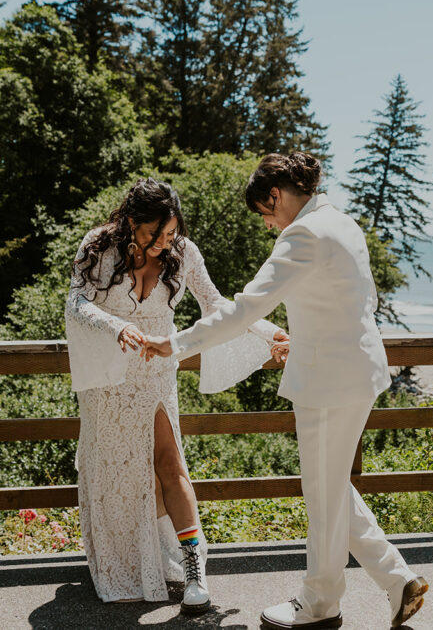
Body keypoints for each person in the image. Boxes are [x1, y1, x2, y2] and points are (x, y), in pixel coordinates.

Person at [142, 153, 428, 629]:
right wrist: (309, 338)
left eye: (266, 213)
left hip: (327, 382)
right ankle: (398, 582)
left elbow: (245, 310)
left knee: (321, 493)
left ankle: (320, 605)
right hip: (358, 371)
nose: (269, 225)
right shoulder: (343, 223)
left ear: (275, 194)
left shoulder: (303, 234)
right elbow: (357, 301)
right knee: (332, 485)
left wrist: (174, 344)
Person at [64, 178, 286, 613]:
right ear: (132, 222)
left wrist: (268, 331)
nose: (166, 243)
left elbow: (216, 304)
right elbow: (75, 302)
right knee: (115, 470)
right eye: (157, 234)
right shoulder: (98, 246)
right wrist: (117, 327)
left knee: (170, 463)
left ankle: (193, 570)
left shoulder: (183, 252)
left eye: (171, 234)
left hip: (155, 374)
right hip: (108, 381)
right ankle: (123, 564)